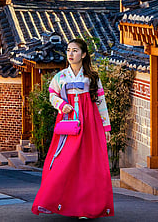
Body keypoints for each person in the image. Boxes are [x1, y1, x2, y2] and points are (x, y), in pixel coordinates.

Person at [31, 38, 114, 218]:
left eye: (75, 50)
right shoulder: (60, 77)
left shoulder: (92, 78)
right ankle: (51, 201)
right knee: (62, 162)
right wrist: (62, 105)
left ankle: (85, 207)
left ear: (83, 54)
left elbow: (101, 103)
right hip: (68, 124)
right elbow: (52, 95)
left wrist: (106, 128)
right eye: (68, 50)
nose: (70, 54)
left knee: (88, 164)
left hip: (90, 123)